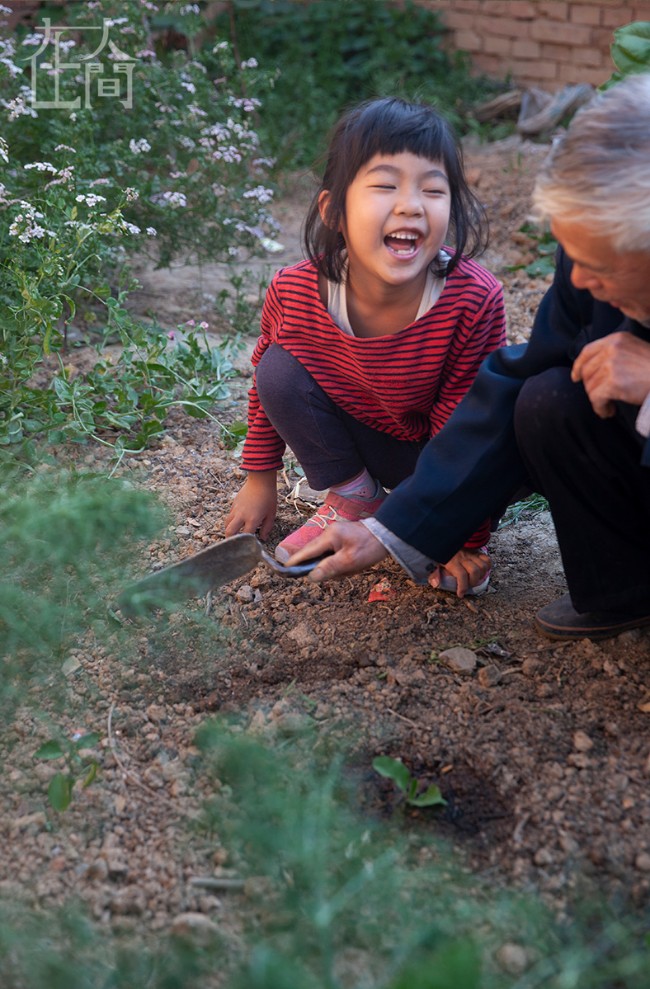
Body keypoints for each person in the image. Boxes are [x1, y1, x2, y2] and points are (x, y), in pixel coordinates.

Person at [286, 72, 650, 642]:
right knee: (548, 398)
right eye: (570, 254)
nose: (578, 279)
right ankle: (624, 592)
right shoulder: (588, 260)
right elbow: (510, 389)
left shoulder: (470, 297)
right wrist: (391, 530)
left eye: (599, 263)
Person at [225, 97, 506, 589]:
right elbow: (265, 389)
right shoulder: (294, 290)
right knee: (277, 369)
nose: (411, 205)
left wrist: (459, 533)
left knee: (503, 425)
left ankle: (426, 519)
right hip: (369, 441)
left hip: (444, 456)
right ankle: (356, 497)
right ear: (334, 211)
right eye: (384, 185)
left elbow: (470, 431)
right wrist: (260, 478)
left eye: (433, 189)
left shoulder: (472, 299)